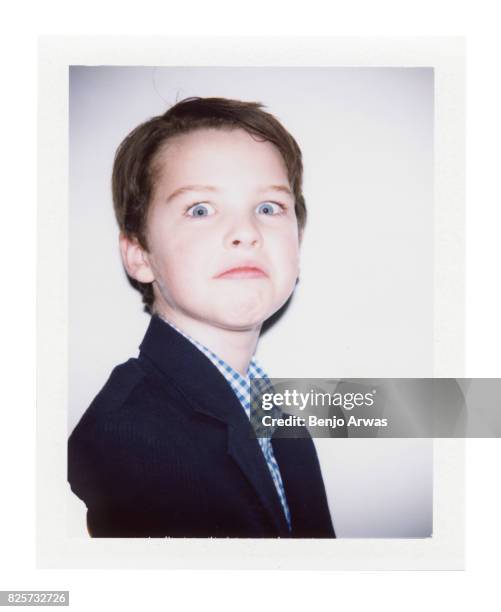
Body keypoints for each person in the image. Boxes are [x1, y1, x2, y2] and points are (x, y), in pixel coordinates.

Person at [68, 97, 335, 538]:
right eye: (200, 209)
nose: (247, 232)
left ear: (298, 244)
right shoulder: (123, 440)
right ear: (139, 255)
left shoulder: (281, 419)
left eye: (269, 208)